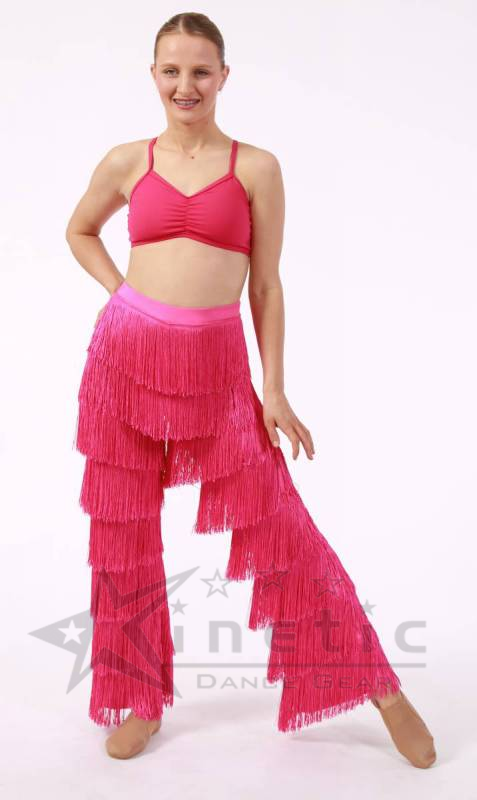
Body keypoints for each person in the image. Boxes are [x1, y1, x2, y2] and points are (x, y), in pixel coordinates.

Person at [65, 12, 436, 766]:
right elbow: (79, 231)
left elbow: (264, 285)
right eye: (172, 71)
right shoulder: (126, 160)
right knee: (122, 538)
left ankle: (380, 688)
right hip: (122, 362)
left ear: (224, 77)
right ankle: (138, 698)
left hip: (216, 371)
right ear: (153, 75)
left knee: (280, 526)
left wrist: (274, 389)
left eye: (200, 71)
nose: (186, 85)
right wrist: (120, 295)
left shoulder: (256, 167)